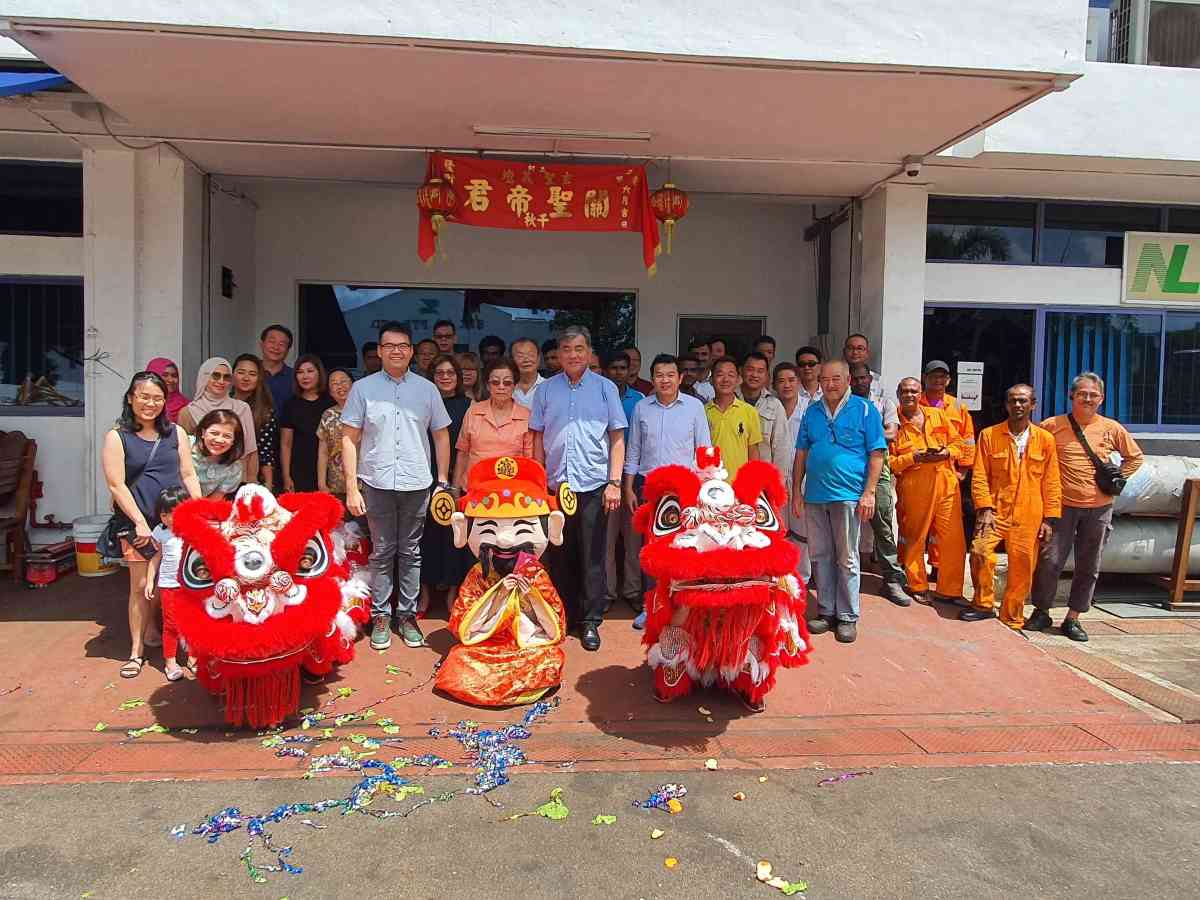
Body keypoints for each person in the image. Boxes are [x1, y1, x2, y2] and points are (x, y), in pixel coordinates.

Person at [343, 321, 451, 652]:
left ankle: (406, 616)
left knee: (411, 551)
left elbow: (441, 434)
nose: (396, 351)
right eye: (389, 346)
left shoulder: (427, 389)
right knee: (382, 551)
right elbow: (349, 437)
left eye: (403, 345)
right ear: (379, 351)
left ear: (412, 351)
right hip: (375, 483)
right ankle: (380, 616)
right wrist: (351, 487)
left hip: (417, 482)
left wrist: (443, 480)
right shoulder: (363, 389)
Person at [530, 325, 627, 652]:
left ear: (589, 352)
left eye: (579, 349)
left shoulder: (605, 388)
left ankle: (589, 621)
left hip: (594, 485)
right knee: (559, 554)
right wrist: (539, 483)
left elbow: (617, 438)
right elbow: (538, 439)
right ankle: (561, 616)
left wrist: (614, 482)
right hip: (557, 487)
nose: (573, 355)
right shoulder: (545, 391)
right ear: (558, 354)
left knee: (592, 555)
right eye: (567, 349)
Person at [1027, 372, 1144, 641]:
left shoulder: (1111, 428)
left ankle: (1073, 618)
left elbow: (1135, 458)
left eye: (1093, 395)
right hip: (1061, 506)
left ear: (1101, 399)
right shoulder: (1051, 426)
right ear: (1071, 396)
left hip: (1099, 507)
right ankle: (1042, 611)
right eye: (1082, 394)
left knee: (1089, 564)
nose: (1087, 399)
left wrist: (1116, 479)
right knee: (1050, 560)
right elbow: (1035, 457)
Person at [101, 371, 200, 679]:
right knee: (142, 587)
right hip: (137, 524)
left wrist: (199, 511)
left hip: (175, 524)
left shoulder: (176, 434)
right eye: (144, 396)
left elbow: (188, 475)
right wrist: (141, 522)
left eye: (157, 398)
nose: (150, 403)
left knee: (183, 585)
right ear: (131, 398)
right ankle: (136, 653)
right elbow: (116, 485)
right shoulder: (117, 437)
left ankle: (189, 650)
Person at [790, 360, 885, 644]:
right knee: (820, 555)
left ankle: (847, 616)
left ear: (847, 380)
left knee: (847, 557)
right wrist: (796, 491)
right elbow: (801, 454)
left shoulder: (865, 409)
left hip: (848, 495)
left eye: (835, 379)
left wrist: (868, 493)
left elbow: (877, 454)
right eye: (824, 379)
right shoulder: (813, 411)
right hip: (816, 495)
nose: (829, 385)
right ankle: (826, 610)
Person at [623, 353, 711, 629]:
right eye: (659, 375)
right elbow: (633, 449)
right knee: (652, 549)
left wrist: (705, 487)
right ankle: (652, 607)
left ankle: (683, 607)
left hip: (685, 488)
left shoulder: (695, 407)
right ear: (653, 378)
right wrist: (627, 486)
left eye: (670, 375)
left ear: (680, 378)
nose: (665, 380)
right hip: (649, 487)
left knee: (683, 548)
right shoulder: (641, 407)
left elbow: (703, 449)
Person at [965, 384, 1062, 629]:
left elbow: (1051, 481)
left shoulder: (1045, 440)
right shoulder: (989, 435)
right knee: (979, 551)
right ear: (1006, 405)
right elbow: (979, 476)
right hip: (995, 510)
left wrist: (1049, 519)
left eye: (1023, 401)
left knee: (1022, 565)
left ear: (1033, 405)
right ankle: (983, 604)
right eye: (1013, 401)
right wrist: (984, 508)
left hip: (1030, 512)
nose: (1018, 405)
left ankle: (1012, 615)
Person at [891, 377, 967, 603]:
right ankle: (917, 585)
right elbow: (889, 462)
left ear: (920, 393)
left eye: (914, 391)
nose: (909, 395)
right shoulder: (893, 422)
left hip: (945, 480)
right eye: (904, 391)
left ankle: (950, 590)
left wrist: (946, 453)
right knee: (916, 536)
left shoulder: (938, 415)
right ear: (898, 394)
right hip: (915, 483)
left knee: (954, 539)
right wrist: (912, 457)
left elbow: (959, 444)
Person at [850, 363, 912, 606]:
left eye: (863, 377)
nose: (859, 382)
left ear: (870, 379)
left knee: (884, 527)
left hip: (880, 473)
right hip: (849, 472)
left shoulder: (883, 402)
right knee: (843, 528)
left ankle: (892, 580)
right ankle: (843, 581)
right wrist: (873, 433)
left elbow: (891, 433)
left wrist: (863, 433)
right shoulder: (842, 405)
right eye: (855, 379)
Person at [419, 354, 472, 616]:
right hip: (425, 476)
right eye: (439, 373)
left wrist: (458, 479)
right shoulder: (422, 402)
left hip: (457, 479)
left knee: (455, 537)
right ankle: (425, 592)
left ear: (458, 377)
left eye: (451, 373)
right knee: (426, 536)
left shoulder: (468, 405)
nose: (445, 377)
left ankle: (452, 591)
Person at [603, 351, 645, 618]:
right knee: (605, 543)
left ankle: (631, 591)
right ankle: (607, 593)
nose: (618, 372)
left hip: (630, 480)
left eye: (623, 367)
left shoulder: (639, 401)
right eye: (614, 367)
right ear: (606, 371)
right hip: (603, 480)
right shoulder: (599, 397)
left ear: (630, 370)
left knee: (632, 542)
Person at [178, 357, 259, 485]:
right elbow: (183, 453)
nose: (221, 381)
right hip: (200, 483)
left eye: (226, 377)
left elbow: (251, 450)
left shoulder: (242, 408)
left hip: (236, 481)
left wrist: (251, 482)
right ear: (204, 377)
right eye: (215, 376)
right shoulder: (187, 412)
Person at [455, 357, 534, 487]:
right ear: (487, 385)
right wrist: (455, 489)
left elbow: (529, 461)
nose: (501, 387)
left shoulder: (526, 416)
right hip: (474, 489)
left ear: (515, 386)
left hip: (511, 491)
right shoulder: (474, 412)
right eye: (495, 382)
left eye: (507, 383)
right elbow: (463, 453)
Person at [144, 486, 194, 682]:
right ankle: (170, 662)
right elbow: (155, 558)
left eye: (174, 513)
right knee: (171, 624)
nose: (169, 519)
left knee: (193, 623)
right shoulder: (160, 532)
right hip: (168, 584)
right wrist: (150, 581)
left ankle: (193, 657)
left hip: (190, 585)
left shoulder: (193, 529)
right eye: (164, 515)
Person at [774, 361, 815, 590]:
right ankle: (779, 576)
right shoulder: (769, 408)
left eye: (791, 380)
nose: (787, 385)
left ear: (799, 382)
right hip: (777, 480)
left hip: (803, 479)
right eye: (781, 381)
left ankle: (802, 579)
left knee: (802, 533)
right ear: (774, 385)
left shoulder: (810, 409)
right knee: (779, 530)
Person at [280, 354, 335, 493]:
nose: (305, 376)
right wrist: (286, 476)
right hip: (298, 469)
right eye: (300, 372)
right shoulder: (290, 405)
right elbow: (286, 443)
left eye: (310, 371)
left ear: (319, 374)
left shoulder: (331, 403)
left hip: (327, 470)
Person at [704, 356, 761, 479]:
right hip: (709, 485)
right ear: (711, 380)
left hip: (740, 484)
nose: (725, 379)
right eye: (720, 375)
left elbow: (753, 451)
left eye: (731, 375)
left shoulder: (749, 412)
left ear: (738, 380)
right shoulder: (702, 412)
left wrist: (753, 481)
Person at [231, 353, 279, 491]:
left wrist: (268, 485)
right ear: (232, 375)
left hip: (249, 477)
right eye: (241, 372)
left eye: (252, 374)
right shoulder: (222, 404)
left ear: (259, 379)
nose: (246, 378)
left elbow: (265, 450)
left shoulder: (265, 411)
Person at [740, 352, 790, 482]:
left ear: (767, 375)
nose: (755, 375)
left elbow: (781, 450)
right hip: (731, 479)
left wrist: (777, 486)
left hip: (763, 482)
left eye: (760, 371)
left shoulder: (774, 405)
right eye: (750, 369)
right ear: (741, 371)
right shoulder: (729, 400)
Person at [316, 368, 355, 504]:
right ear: (330, 391)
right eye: (334, 383)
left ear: (353, 385)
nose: (340, 386)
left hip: (364, 485)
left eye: (344, 381)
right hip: (335, 486)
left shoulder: (365, 412)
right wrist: (321, 483)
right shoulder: (328, 415)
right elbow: (323, 452)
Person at [190, 409, 245, 497]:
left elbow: (213, 501)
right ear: (203, 433)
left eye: (227, 436)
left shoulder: (233, 468)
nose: (219, 440)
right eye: (214, 433)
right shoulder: (186, 445)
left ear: (234, 441)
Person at [260, 324, 295, 412]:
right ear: (261, 344)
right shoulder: (250, 373)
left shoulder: (295, 377)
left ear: (288, 350)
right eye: (272, 342)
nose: (276, 347)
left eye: (281, 344)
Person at [842, 333, 884, 405]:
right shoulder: (834, 378)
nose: (855, 352)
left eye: (860, 348)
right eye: (850, 348)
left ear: (867, 353)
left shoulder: (878, 381)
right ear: (844, 351)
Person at [145, 357, 188, 423]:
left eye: (174, 376)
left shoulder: (187, 407)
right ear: (154, 377)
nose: (170, 380)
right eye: (165, 375)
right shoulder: (142, 405)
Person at [511, 337, 545, 407]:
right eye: (520, 356)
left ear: (538, 358)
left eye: (531, 355)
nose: (526, 360)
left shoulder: (549, 387)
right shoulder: (505, 388)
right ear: (511, 361)